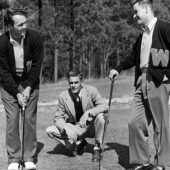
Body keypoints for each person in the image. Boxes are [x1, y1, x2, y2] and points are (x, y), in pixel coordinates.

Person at [109, 0, 170, 170]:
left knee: (161, 125)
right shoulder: (142, 34)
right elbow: (134, 57)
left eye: (136, 12)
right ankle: (142, 162)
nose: (134, 16)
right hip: (140, 82)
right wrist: (118, 68)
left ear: (146, 9)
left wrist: (167, 75)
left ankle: (161, 164)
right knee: (134, 122)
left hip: (158, 82)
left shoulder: (164, 28)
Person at [0, 8, 43, 170]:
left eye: (25, 22)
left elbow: (37, 66)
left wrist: (28, 88)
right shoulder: (2, 43)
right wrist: (17, 92)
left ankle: (29, 157)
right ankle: (14, 159)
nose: (25, 26)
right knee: (12, 121)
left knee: (29, 119)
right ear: (10, 27)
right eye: (20, 25)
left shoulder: (35, 38)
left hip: (30, 82)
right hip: (9, 84)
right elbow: (3, 72)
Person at [46, 70, 108, 162]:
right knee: (50, 130)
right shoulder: (63, 96)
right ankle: (78, 145)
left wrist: (88, 113)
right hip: (75, 128)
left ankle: (97, 148)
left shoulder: (91, 90)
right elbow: (58, 118)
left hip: (91, 127)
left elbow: (104, 106)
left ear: (82, 82)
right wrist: (64, 128)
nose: (73, 85)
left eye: (76, 82)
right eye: (71, 83)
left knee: (102, 117)